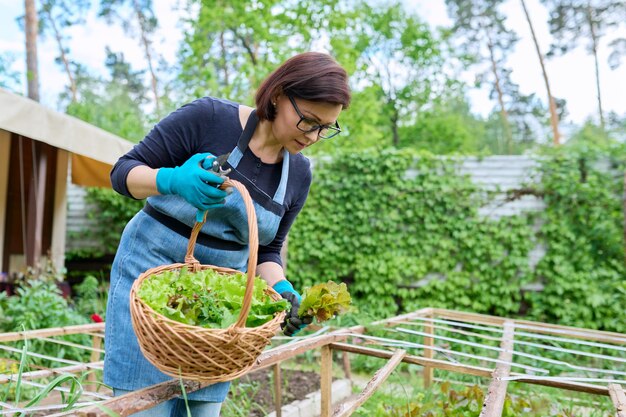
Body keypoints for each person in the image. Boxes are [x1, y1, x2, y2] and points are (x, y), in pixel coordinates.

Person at [103, 51, 351, 417]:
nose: (314, 136)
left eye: (325, 128)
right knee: (145, 406)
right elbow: (122, 174)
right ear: (280, 94)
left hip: (217, 314)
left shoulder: (299, 174)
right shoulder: (208, 119)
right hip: (149, 288)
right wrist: (170, 179)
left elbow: (267, 250)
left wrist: (283, 292)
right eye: (308, 122)